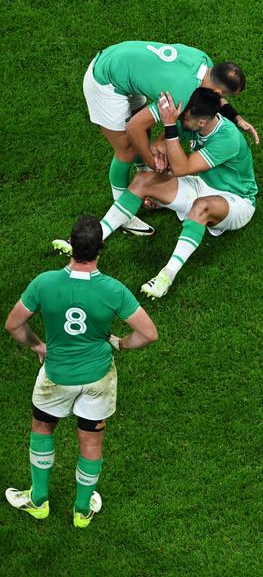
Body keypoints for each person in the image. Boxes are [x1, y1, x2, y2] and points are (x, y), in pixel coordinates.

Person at [5, 216, 157, 528]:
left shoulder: (44, 283)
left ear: (71, 246)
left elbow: (13, 324)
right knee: (91, 442)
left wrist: (38, 346)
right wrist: (121, 344)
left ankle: (39, 500)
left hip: (56, 376)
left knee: (43, 429)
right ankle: (82, 510)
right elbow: (148, 334)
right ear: (100, 249)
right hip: (98, 379)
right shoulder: (114, 290)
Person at [57, 87, 258, 299]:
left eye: (184, 119)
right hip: (200, 183)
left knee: (201, 207)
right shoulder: (194, 120)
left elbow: (181, 168)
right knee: (143, 180)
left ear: (202, 122)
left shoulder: (228, 139)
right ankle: (91, 240)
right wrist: (160, 147)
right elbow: (162, 142)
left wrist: (169, 126)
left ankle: (166, 276)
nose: (180, 120)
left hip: (236, 201)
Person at [83, 40, 256, 236]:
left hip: (120, 58)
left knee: (144, 136)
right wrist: (156, 166)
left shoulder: (204, 62)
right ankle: (124, 214)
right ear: (218, 91)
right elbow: (133, 127)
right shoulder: (181, 93)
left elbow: (215, 97)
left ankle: (145, 181)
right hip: (105, 81)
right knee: (128, 149)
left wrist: (236, 117)